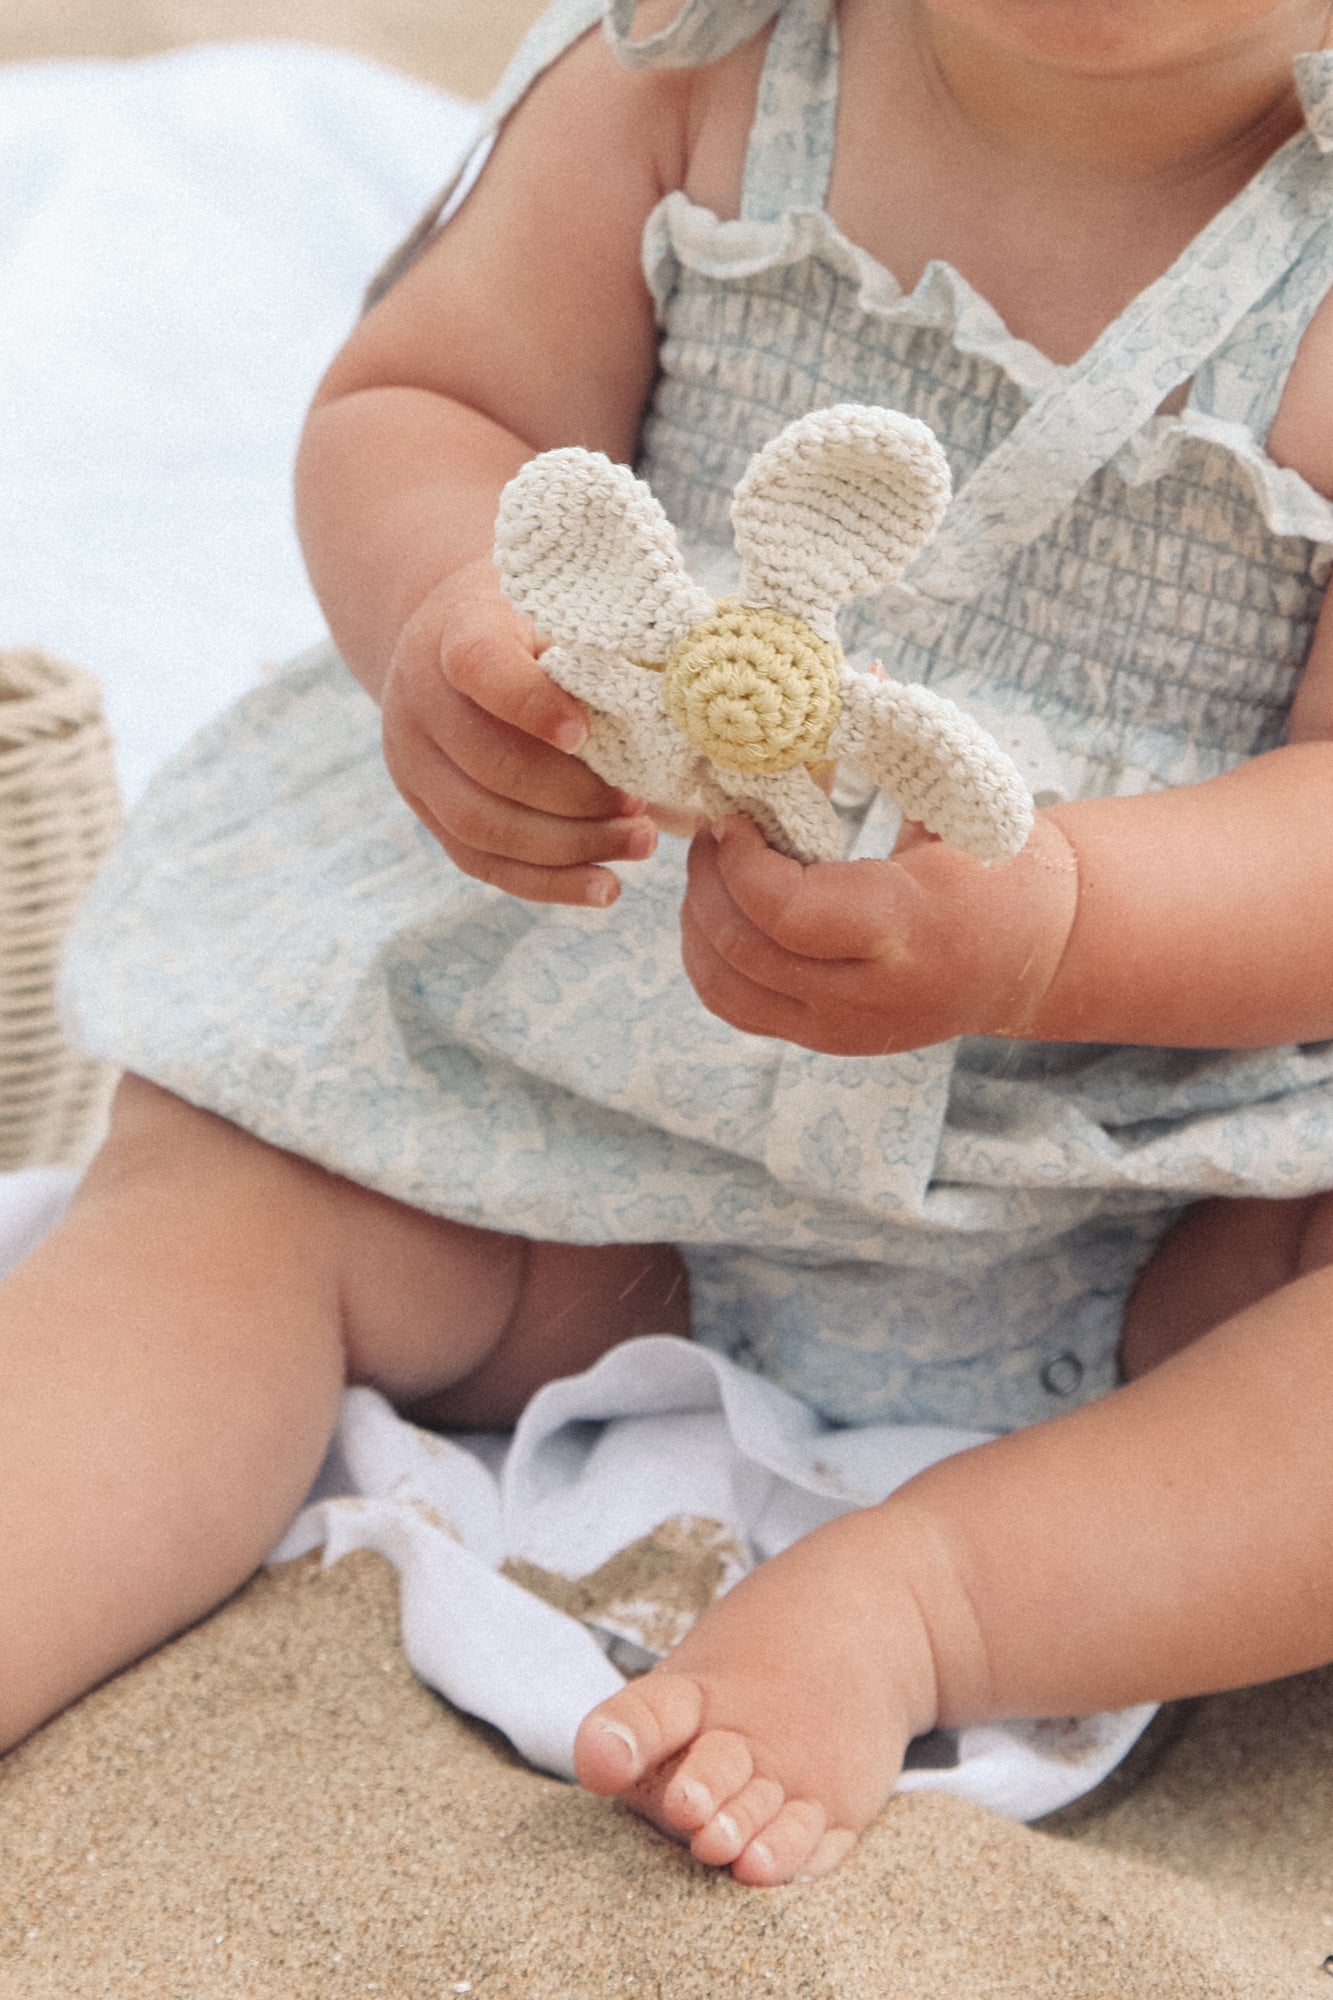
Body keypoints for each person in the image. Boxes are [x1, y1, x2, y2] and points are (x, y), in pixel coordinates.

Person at [5, 0, 1333, 1889]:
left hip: (1141, 1202)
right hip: (579, 1123)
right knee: (227, 1192)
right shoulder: (693, 70)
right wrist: (455, 638)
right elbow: (430, 404)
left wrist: (1061, 933)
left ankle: (940, 1598)